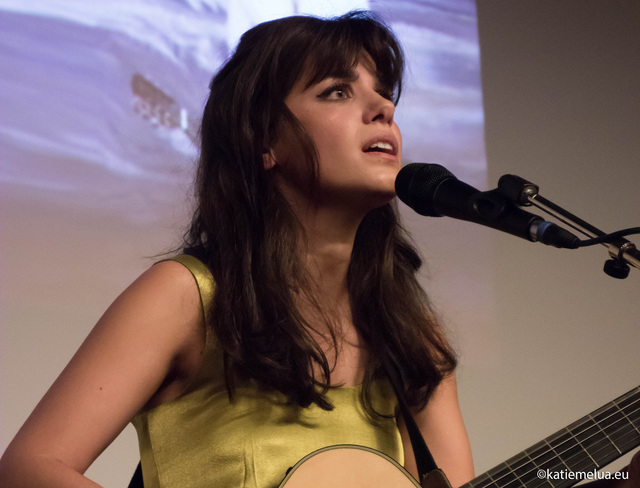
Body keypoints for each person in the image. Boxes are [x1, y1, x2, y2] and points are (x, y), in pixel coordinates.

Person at [0, 11, 636, 488]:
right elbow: (29, 467)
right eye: (337, 91)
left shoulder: (413, 336)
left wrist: (614, 483)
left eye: (383, 94)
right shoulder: (188, 296)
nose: (382, 107)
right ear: (262, 141)